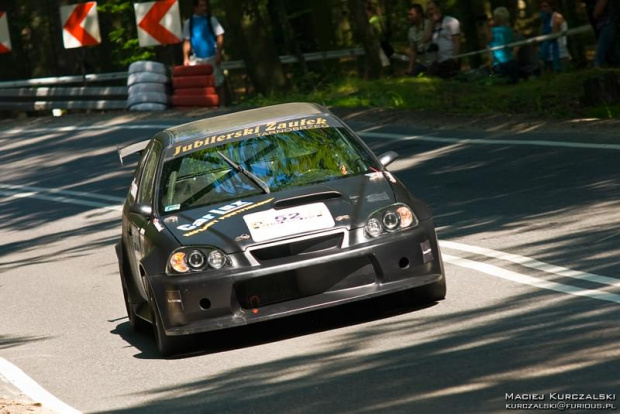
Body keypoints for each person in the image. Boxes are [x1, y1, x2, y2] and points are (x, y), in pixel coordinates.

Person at [182, 0, 226, 102]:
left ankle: (222, 105)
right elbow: (187, 41)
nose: (204, 8)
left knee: (218, 81)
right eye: (201, 6)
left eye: (205, 6)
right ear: (195, 7)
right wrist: (185, 58)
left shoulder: (211, 20)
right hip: (196, 58)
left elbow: (220, 36)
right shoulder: (189, 22)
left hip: (212, 55)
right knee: (197, 83)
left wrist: (219, 53)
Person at [425, 0, 462, 79]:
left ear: (438, 8)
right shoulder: (430, 24)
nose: (430, 12)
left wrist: (455, 58)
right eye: (428, 10)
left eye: (432, 9)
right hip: (436, 60)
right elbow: (425, 39)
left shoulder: (451, 21)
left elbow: (457, 41)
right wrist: (431, 24)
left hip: (449, 59)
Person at [483, 7, 518, 83]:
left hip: (499, 63)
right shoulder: (510, 30)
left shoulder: (493, 31)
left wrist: (485, 26)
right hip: (511, 61)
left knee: (501, 84)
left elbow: (488, 40)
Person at [539, 0, 570, 73]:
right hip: (548, 52)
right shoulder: (545, 19)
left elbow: (554, 33)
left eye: (545, 6)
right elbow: (541, 34)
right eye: (542, 7)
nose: (543, 9)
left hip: (559, 52)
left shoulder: (557, 16)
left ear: (551, 7)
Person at [405, 4, 433, 76]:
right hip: (423, 63)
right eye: (409, 15)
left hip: (435, 61)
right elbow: (413, 51)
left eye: (411, 15)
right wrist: (410, 68)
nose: (409, 17)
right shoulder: (411, 30)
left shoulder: (430, 24)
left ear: (419, 14)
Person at [593, 0, 619, 67]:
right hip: (614, 24)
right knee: (614, 51)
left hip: (607, 24)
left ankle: (597, 68)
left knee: (601, 51)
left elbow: (597, 13)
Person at [365, 2, 391, 69]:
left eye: (367, 12)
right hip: (381, 40)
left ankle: (386, 73)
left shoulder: (373, 20)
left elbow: (378, 31)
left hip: (378, 42)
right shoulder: (376, 19)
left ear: (370, 11)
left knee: (383, 58)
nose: (366, 14)